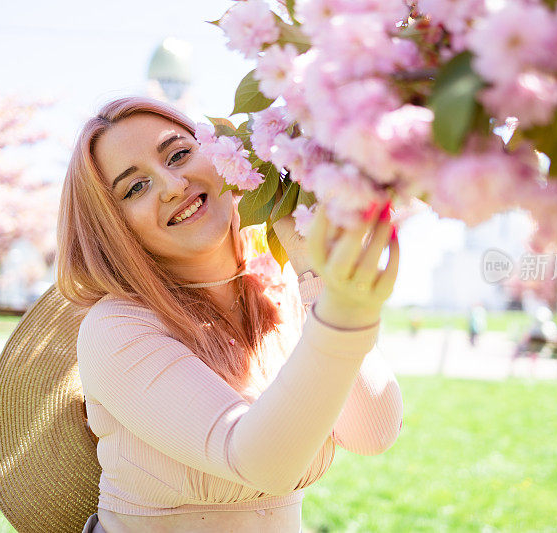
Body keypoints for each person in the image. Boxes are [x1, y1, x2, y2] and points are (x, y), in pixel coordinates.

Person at [56, 96, 403, 532]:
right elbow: (260, 460)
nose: (172, 185)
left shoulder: (281, 290)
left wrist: (315, 273)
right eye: (135, 187)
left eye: (179, 154)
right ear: (115, 228)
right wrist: (340, 308)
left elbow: (372, 432)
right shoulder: (116, 330)